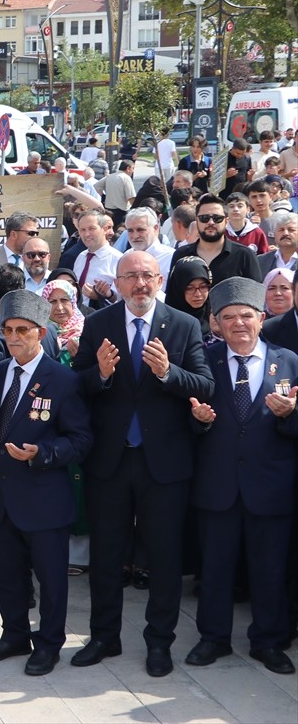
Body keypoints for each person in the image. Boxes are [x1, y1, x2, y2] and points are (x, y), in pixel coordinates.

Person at [70, 251, 215, 677]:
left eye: (147, 276)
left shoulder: (185, 324)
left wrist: (169, 372)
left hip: (164, 465)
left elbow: (205, 386)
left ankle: (159, 642)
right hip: (110, 463)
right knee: (107, 554)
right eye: (130, 276)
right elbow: (78, 386)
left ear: (160, 278)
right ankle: (103, 636)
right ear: (116, 282)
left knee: (165, 557)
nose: (139, 284)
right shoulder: (99, 324)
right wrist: (99, 373)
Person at [0, 291, 92, 676]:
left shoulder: (62, 379)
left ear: (40, 332)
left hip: (43, 497)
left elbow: (81, 440)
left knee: (51, 578)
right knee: (5, 573)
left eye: (23, 330)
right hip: (0, 495)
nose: (14, 337)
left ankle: (50, 643)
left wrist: (41, 453)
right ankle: (15, 633)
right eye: (8, 330)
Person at [186, 278, 298, 676]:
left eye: (246, 316)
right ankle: (213, 638)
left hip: (271, 488)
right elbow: (185, 421)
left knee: (269, 569)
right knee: (215, 568)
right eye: (228, 317)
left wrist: (290, 415)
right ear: (215, 322)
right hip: (217, 487)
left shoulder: (289, 361)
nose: (238, 324)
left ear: (261, 318)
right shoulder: (204, 361)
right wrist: (196, 421)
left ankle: (268, 640)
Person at [173, 194, 263, 285]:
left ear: (226, 221)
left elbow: (255, 296)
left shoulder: (245, 255)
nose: (211, 222)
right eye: (204, 218)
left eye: (217, 218)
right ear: (197, 221)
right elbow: (173, 296)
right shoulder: (181, 255)